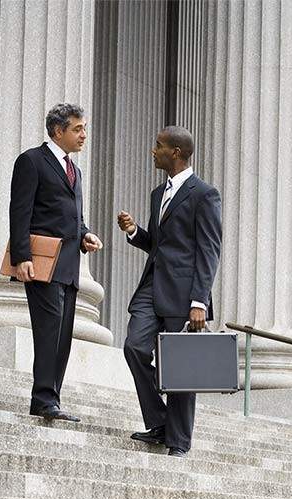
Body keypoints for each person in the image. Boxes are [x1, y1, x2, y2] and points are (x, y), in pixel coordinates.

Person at [118, 126, 222, 457]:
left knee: (180, 367)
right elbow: (161, 246)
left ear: (175, 152)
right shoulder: (156, 194)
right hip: (152, 285)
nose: (153, 150)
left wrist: (199, 301)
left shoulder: (205, 194)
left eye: (158, 145)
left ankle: (178, 442)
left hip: (185, 293)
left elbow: (209, 250)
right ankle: (160, 421)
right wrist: (135, 232)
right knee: (134, 346)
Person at [9, 102, 103, 422]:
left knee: (62, 335)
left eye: (84, 128)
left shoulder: (75, 170)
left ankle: (52, 398)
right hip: (41, 263)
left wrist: (86, 234)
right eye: (78, 129)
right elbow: (20, 212)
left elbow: (74, 217)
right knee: (48, 331)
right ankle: (43, 398)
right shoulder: (32, 161)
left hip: (69, 266)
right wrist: (22, 257)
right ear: (57, 131)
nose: (84, 135)